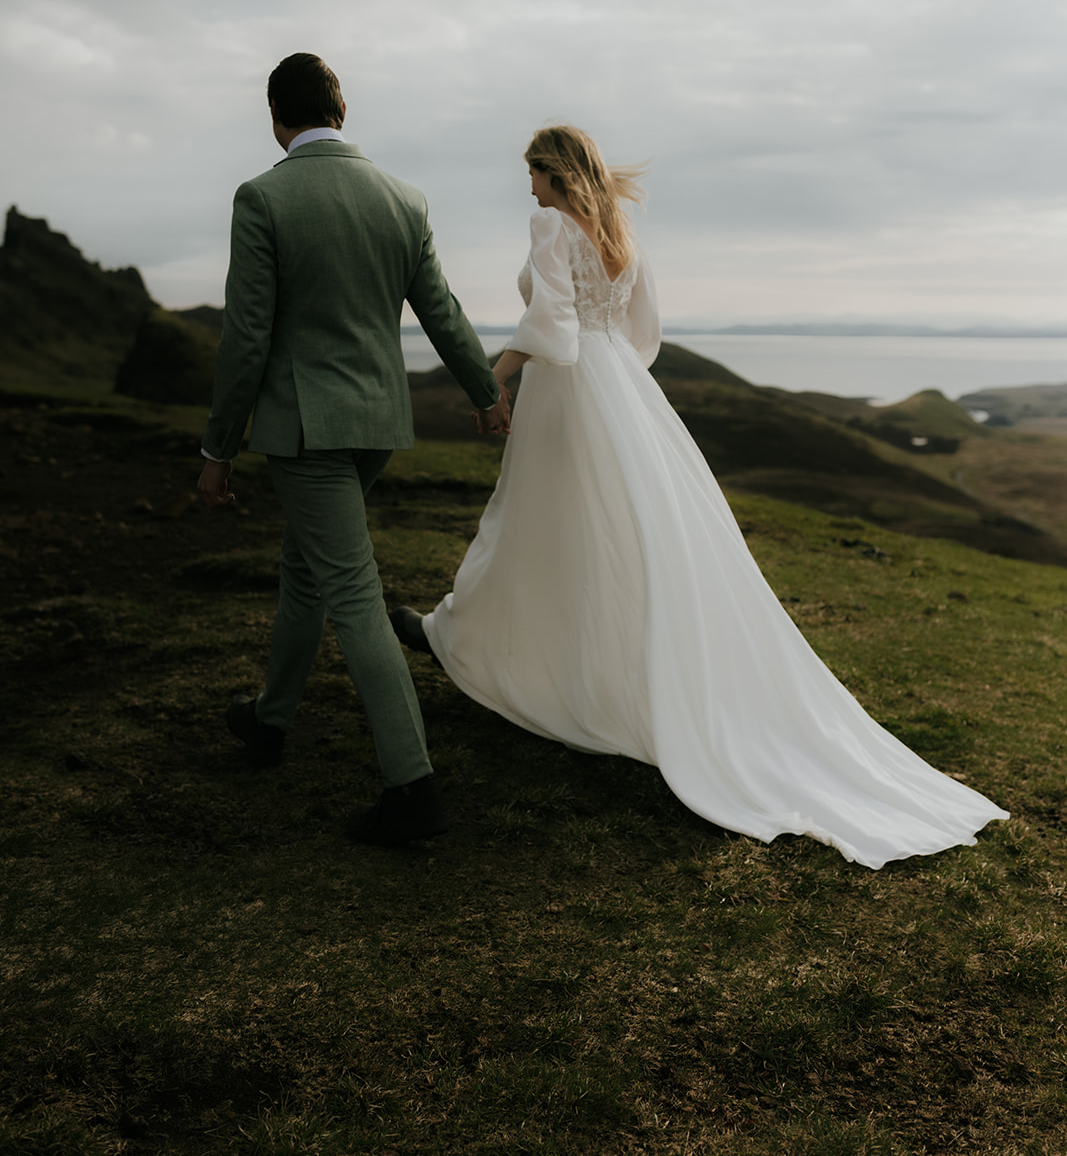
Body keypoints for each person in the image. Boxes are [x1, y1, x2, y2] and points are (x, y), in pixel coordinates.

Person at [392, 126, 1008, 870]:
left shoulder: (550, 222)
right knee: (605, 532)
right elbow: (640, 329)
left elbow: (550, 318)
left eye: (530, 174)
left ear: (551, 173)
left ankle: (467, 637)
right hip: (620, 382)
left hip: (571, 388)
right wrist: (613, 370)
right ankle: (478, 633)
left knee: (537, 525)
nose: (526, 188)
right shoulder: (617, 227)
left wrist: (496, 375)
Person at [198, 53, 509, 846]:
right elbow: (440, 310)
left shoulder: (263, 196)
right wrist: (483, 392)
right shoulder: (403, 199)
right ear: (342, 111)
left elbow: (245, 336)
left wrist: (218, 446)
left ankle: (412, 789)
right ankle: (270, 722)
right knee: (305, 570)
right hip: (377, 423)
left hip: (304, 428)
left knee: (353, 595)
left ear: (276, 117)